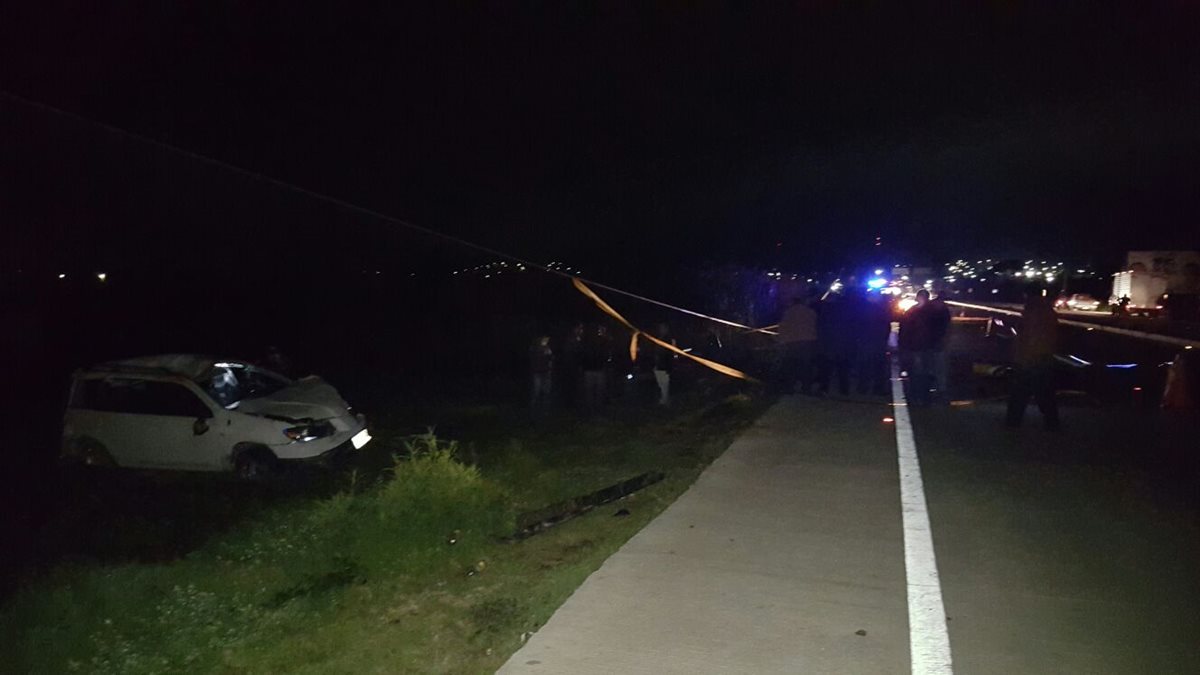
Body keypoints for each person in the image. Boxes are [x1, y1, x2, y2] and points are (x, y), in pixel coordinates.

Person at [1006, 291, 1060, 429]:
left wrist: (1021, 357)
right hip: (1044, 357)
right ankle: (1052, 422)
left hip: (1029, 359)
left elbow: (1028, 338)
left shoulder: (1031, 313)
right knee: (1045, 393)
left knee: (1020, 393)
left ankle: (1013, 421)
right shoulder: (1049, 313)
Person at [776, 295, 819, 394]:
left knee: (791, 366)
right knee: (806, 366)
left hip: (792, 342)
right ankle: (806, 388)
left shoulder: (788, 313)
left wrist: (781, 340)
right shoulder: (810, 312)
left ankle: (790, 387)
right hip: (807, 342)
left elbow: (783, 327)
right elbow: (815, 325)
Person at [898, 290, 934, 404]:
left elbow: (904, 329)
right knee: (924, 371)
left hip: (916, 346)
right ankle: (924, 396)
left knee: (916, 371)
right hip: (926, 346)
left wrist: (902, 344)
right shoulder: (933, 311)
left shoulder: (913, 311)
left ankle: (916, 395)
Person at [856, 291, 892, 396]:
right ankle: (877, 389)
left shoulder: (862, 309)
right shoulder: (881, 309)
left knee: (865, 366)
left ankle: (863, 388)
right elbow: (887, 326)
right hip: (877, 341)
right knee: (878, 366)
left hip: (867, 341)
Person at [925, 293, 952, 403]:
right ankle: (940, 389)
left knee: (932, 366)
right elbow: (947, 326)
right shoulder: (943, 310)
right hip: (937, 342)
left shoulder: (930, 308)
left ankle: (934, 388)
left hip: (930, 342)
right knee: (939, 367)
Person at [579, 324, 612, 413]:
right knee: (594, 390)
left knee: (593, 390)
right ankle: (593, 408)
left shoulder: (593, 341)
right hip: (594, 369)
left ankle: (594, 408)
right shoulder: (593, 341)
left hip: (594, 368)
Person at [651, 322, 676, 406]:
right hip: (659, 364)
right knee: (660, 382)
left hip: (665, 364)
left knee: (664, 383)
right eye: (660, 328)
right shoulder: (659, 338)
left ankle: (665, 399)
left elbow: (670, 353)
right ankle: (663, 399)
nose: (661, 330)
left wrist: (669, 365)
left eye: (663, 328)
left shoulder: (668, 339)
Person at [529, 335, 554, 416]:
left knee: (547, 393)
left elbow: (551, 359)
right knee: (536, 392)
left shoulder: (547, 349)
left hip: (546, 372)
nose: (546, 341)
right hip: (537, 373)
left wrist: (550, 369)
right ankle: (533, 410)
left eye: (547, 340)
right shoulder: (534, 348)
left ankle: (545, 411)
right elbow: (533, 359)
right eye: (544, 339)